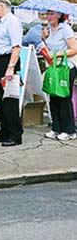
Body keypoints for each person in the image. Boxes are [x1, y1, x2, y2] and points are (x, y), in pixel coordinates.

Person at [0, 0, 24, 147]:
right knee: (0, 99)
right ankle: (4, 131)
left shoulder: (13, 22)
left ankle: (15, 134)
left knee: (9, 100)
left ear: (3, 6)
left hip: (7, 61)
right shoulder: (1, 23)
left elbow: (16, 46)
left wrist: (10, 67)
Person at [41, 9, 77, 141]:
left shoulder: (65, 28)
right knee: (53, 95)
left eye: (52, 14)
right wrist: (43, 38)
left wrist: (58, 54)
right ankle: (56, 128)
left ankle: (69, 130)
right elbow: (48, 48)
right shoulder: (48, 29)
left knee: (63, 96)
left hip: (66, 66)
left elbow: (74, 49)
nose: (49, 17)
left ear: (59, 15)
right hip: (53, 66)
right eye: (47, 14)